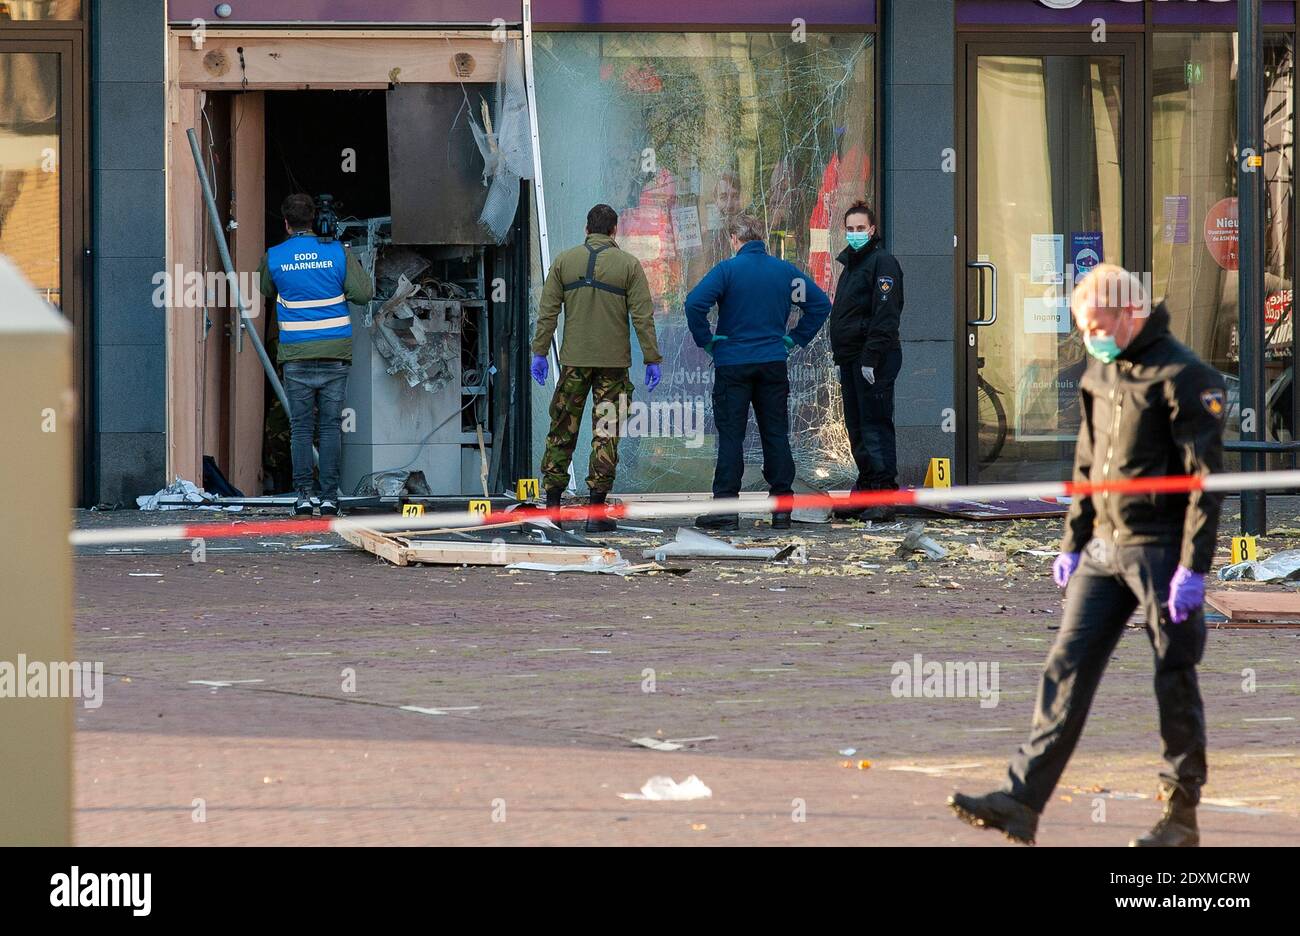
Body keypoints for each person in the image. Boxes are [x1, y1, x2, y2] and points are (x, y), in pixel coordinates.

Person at [949, 265, 1226, 847]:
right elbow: (1086, 463)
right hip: (1103, 547)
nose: (1090, 337)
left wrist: (1192, 568)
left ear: (1130, 314)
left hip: (1159, 550)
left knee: (1173, 675)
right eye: (1082, 328)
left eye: (1097, 325)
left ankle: (1181, 817)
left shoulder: (1185, 376)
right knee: (1065, 667)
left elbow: (1205, 483)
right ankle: (1022, 800)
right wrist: (1072, 543)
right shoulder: (1100, 371)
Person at [685, 213, 831, 531]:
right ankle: (782, 509)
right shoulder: (783, 272)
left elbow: (694, 303)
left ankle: (725, 510)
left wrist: (708, 341)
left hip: (732, 365)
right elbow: (820, 304)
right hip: (772, 364)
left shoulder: (727, 271)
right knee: (775, 434)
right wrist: (793, 339)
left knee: (732, 437)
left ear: (734, 240)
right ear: (761, 238)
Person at [531, 203, 663, 534]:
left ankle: (553, 507)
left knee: (562, 429)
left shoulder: (564, 261)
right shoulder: (629, 265)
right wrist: (651, 358)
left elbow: (547, 312)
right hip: (613, 366)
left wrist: (540, 352)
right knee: (606, 433)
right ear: (614, 230)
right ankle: (594, 511)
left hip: (574, 361)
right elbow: (642, 317)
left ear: (586, 229)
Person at [258, 193, 374, 517]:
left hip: (295, 356)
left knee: (300, 427)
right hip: (335, 353)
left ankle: (303, 497)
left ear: (285, 222)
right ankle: (329, 498)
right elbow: (364, 293)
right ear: (314, 221)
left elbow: (266, 289)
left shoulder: (275, 256)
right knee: (329, 427)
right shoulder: (338, 252)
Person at [827, 200, 904, 521]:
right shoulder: (853, 265)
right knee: (857, 427)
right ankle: (867, 486)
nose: (855, 233)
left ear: (872, 230)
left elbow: (885, 316)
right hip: (851, 358)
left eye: (861, 228)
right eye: (850, 229)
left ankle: (884, 494)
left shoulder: (882, 263)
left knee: (875, 426)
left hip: (873, 359)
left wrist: (870, 358)